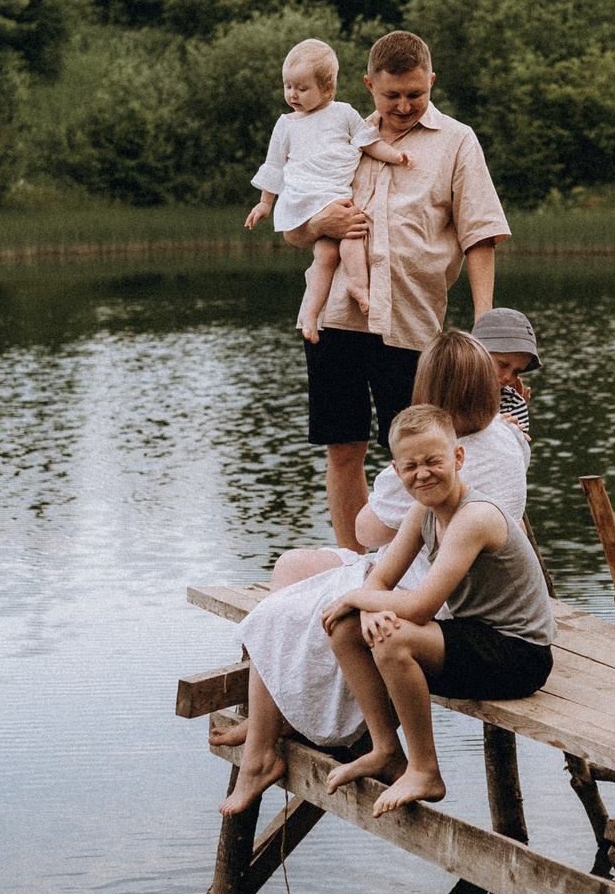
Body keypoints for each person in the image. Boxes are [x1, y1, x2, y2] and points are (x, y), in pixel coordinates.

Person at [223, 405, 555, 818]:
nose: (423, 473)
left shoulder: (475, 516)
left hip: (519, 653)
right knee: (344, 626)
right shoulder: (424, 512)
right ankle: (386, 750)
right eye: (412, 465)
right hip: (474, 636)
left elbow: (421, 606)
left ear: (458, 459)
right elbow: (379, 580)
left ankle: (426, 770)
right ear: (398, 472)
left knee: (391, 638)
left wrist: (362, 601)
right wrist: (364, 608)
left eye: (434, 461)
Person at [215, 330, 525, 754]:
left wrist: (399, 466)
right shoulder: (506, 438)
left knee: (284, 600)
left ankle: (266, 737)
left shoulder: (431, 459)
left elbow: (365, 530)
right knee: (291, 569)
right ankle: (276, 718)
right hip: (446, 580)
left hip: (434, 592)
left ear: (426, 391)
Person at [279, 31, 510, 553]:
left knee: (416, 454)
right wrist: (320, 221)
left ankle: (415, 569)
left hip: (412, 321)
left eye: (415, 94)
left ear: (431, 81)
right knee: (343, 448)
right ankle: (353, 565)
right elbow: (293, 227)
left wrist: (485, 328)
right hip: (336, 316)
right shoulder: (337, 134)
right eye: (391, 96)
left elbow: (481, 235)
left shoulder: (457, 140)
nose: (404, 106)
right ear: (368, 86)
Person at [244, 39, 414, 342]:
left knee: (327, 254)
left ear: (327, 88)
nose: (292, 94)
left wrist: (395, 155)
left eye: (302, 88)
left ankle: (313, 312)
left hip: (332, 191)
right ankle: (357, 286)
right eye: (287, 86)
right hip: (305, 197)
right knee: (350, 229)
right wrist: (264, 204)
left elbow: (369, 142)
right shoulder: (285, 125)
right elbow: (274, 166)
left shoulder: (343, 114)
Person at [470, 306, 540, 434]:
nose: (508, 377)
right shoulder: (446, 386)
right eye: (503, 364)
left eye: (517, 371)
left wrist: (514, 435)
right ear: (477, 352)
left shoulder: (513, 403)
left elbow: (520, 451)